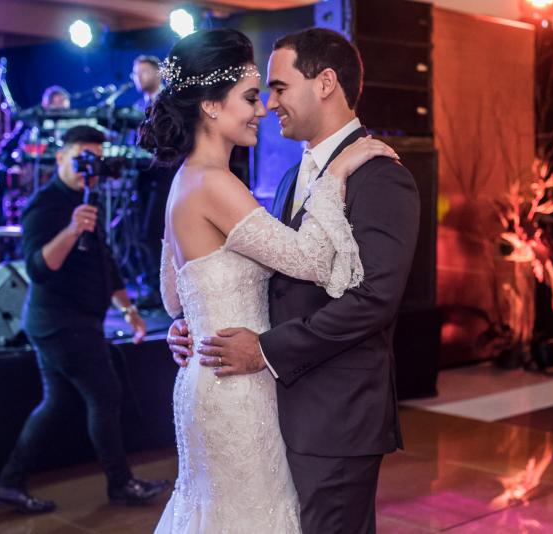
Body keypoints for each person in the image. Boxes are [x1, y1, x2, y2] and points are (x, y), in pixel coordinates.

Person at [163, 28, 419, 533]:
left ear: (325, 83)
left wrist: (264, 348)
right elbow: (270, 274)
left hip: (334, 417)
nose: (268, 106)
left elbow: (374, 300)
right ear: (211, 105)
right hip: (265, 406)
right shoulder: (285, 179)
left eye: (278, 89)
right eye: (258, 95)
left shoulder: (381, 174)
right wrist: (195, 321)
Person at [0, 125, 168, 513]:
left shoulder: (86, 201)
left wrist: (130, 311)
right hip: (59, 323)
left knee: (56, 404)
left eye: (95, 160)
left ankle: (8, 482)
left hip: (71, 322)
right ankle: (121, 484)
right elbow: (39, 269)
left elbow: (105, 263)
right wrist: (72, 229)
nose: (89, 168)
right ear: (60, 158)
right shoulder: (46, 205)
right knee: (105, 395)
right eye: (81, 159)